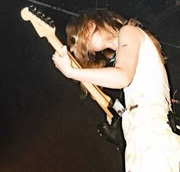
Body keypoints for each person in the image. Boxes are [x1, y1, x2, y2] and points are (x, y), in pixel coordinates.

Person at [52, 9, 180, 172]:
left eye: (77, 38)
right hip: (139, 134)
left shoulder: (129, 32)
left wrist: (71, 72)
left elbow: (122, 77)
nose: (84, 48)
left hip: (150, 132)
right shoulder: (125, 53)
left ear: (91, 26)